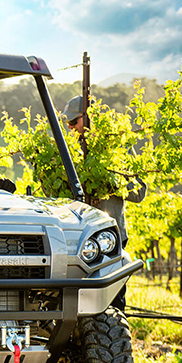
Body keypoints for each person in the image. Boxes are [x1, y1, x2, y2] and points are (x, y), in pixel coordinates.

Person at [62, 95, 146, 310]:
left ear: (88, 118)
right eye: (68, 123)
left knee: (111, 303)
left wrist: (110, 182)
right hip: (74, 238)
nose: (71, 127)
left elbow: (139, 193)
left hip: (110, 237)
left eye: (74, 121)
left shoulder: (116, 148)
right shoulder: (67, 151)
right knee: (74, 303)